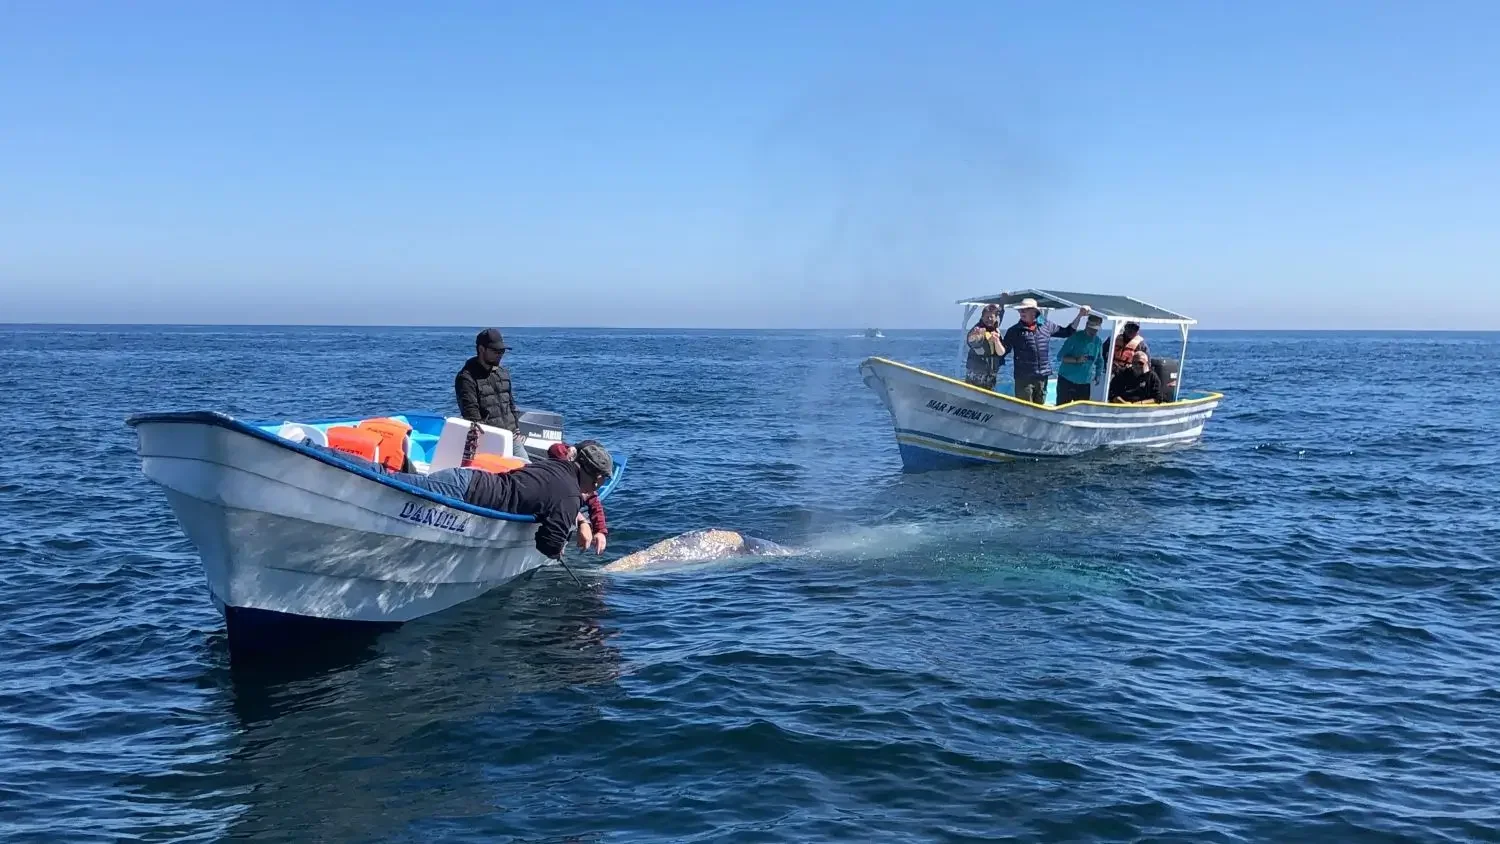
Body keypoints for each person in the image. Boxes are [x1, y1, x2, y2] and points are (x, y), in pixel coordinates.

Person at [386, 440, 615, 560]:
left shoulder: (557, 467)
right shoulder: (570, 495)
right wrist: (556, 551)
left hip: (466, 478)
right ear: (597, 479)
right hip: (463, 492)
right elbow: (548, 543)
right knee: (388, 481)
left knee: (398, 482)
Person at [1001, 298, 1090, 404]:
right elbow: (1003, 351)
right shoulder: (1013, 331)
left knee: (1040, 406)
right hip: (1023, 378)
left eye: (1025, 309)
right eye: (1020, 310)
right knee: (1025, 408)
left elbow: (1067, 332)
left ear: (1034, 312)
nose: (1022, 312)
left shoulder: (1046, 325)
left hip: (1042, 377)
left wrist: (1080, 315)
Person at [455, 328, 524, 454]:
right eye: (496, 351)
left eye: (502, 351)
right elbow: (471, 415)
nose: (500, 354)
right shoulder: (466, 378)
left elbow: (510, 404)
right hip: (490, 442)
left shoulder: (503, 373)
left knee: (528, 470)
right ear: (481, 349)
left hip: (513, 438)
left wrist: (517, 427)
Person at [548, 441, 609, 554]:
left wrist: (600, 531)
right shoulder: (563, 473)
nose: (595, 484)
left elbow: (594, 503)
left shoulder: (587, 485)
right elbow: (556, 449)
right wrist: (582, 521)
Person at [1055, 314, 1106, 404]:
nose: (1093, 331)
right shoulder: (1074, 337)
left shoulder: (1098, 341)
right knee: (1061, 409)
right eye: (1091, 328)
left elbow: (1100, 360)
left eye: (1096, 329)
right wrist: (1076, 360)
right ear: (1086, 325)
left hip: (1084, 383)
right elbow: (1060, 357)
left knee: (1082, 410)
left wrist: (1098, 374)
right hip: (1067, 380)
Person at [964, 304, 1006, 390]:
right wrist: (974, 337)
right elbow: (972, 342)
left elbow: (999, 315)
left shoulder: (995, 326)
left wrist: (1002, 302)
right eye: (987, 317)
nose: (989, 319)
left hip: (991, 374)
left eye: (992, 317)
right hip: (977, 374)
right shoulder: (978, 330)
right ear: (982, 317)